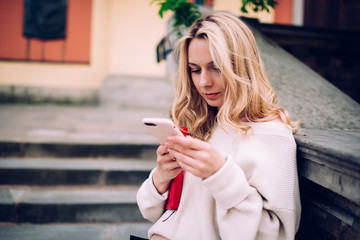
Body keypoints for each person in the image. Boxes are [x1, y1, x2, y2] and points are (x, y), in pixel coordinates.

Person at [136, 11, 301, 240]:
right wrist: (162, 177)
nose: (204, 82)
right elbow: (151, 210)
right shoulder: (202, 121)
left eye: (216, 67)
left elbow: (276, 233)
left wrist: (220, 175)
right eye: (195, 70)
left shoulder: (272, 134)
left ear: (241, 67)